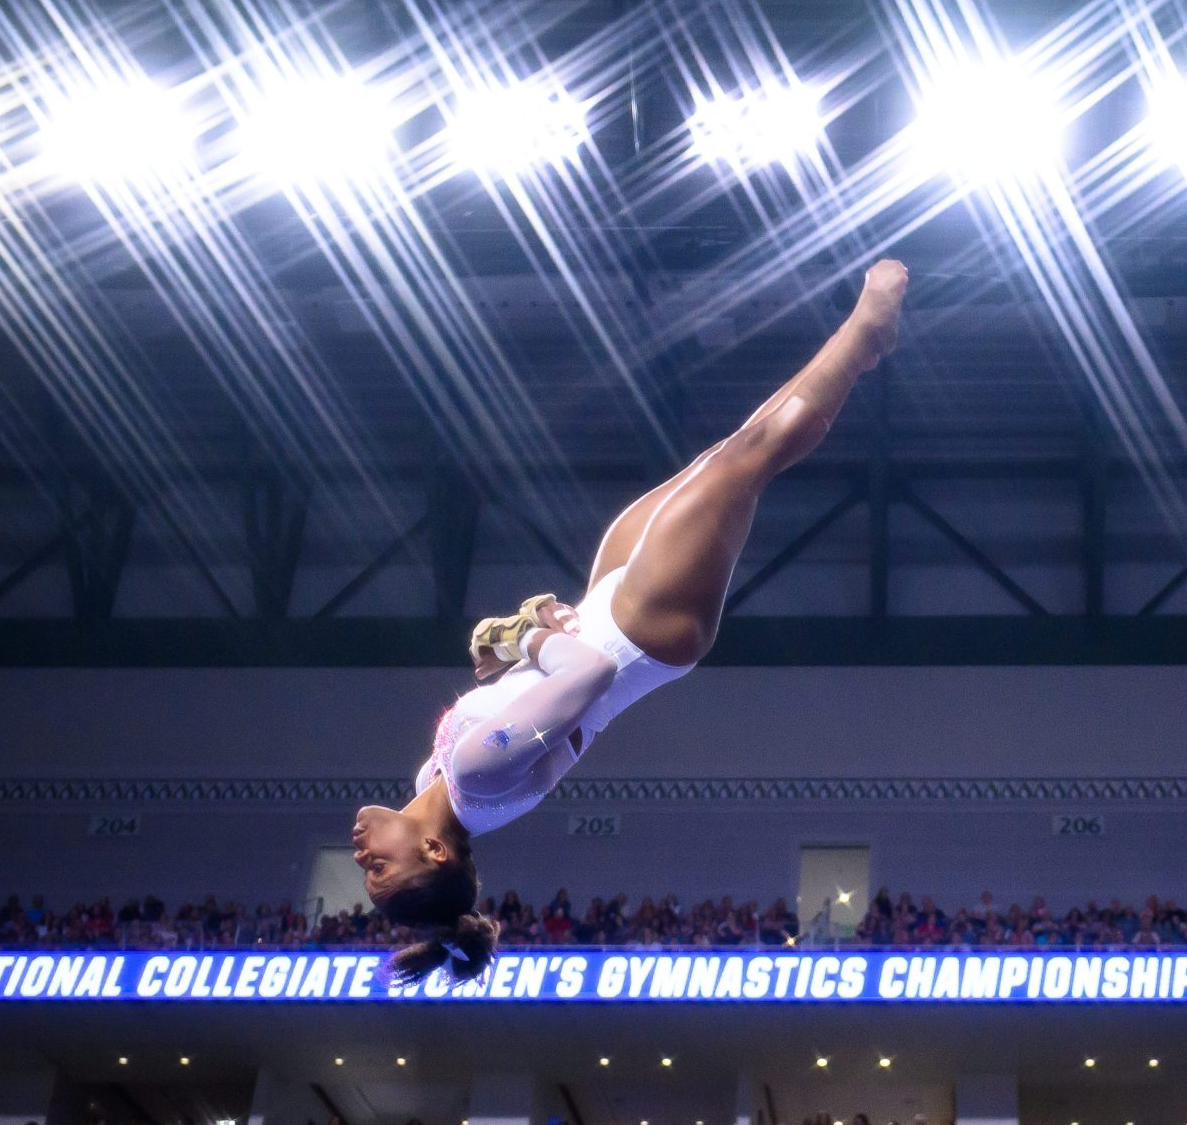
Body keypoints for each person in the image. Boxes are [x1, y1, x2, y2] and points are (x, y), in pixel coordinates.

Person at [353, 261, 912, 977]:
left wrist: (522, 649)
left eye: (366, 874)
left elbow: (561, 714)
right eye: (379, 874)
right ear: (433, 851)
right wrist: (525, 635)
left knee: (733, 452)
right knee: (750, 458)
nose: (364, 860)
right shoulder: (474, 776)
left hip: (607, 608)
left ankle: (861, 341)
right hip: (638, 633)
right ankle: (866, 337)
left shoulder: (447, 774)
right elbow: (587, 672)